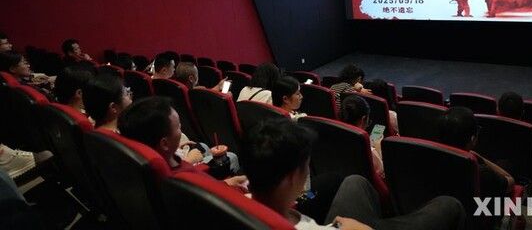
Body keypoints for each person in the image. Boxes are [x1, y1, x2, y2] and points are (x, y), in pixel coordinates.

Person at [242, 118, 465, 230]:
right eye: (306, 167)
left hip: (334, 223)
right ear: (291, 178)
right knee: (449, 205)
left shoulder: (238, 203)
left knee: (354, 181)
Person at [118, 97, 247, 191]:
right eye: (178, 127)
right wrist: (226, 185)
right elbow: (210, 193)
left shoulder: (138, 164)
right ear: (164, 144)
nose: (181, 129)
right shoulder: (182, 181)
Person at [439, 107, 514, 200]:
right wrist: (478, 158)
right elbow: (510, 182)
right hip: (478, 207)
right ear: (472, 139)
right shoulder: (481, 172)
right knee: (506, 166)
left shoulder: (429, 157)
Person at [339, 95, 384, 177]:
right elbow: (381, 172)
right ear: (363, 119)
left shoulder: (333, 135)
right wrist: (378, 148)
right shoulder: (368, 150)